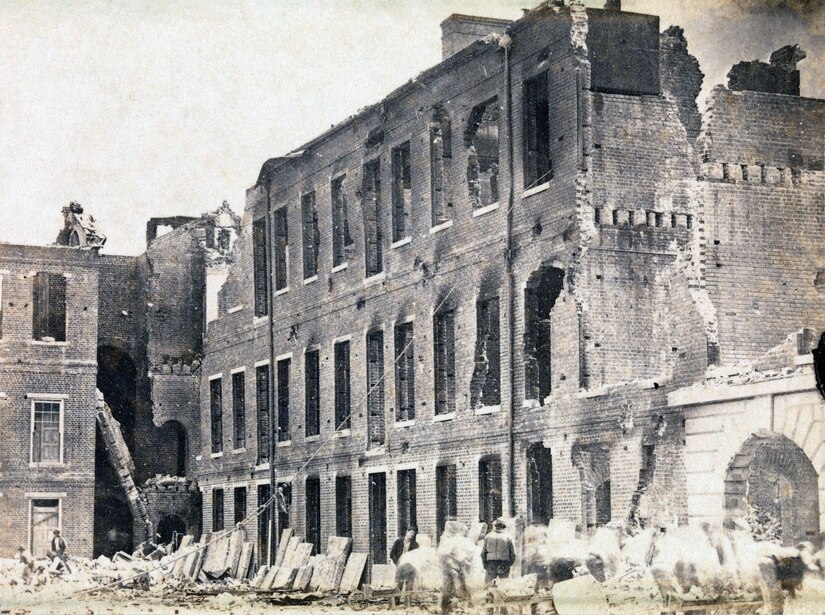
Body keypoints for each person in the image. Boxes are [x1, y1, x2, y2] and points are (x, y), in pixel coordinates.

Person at [481, 518, 515, 584]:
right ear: (504, 526)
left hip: (491, 563)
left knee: (489, 585)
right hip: (504, 562)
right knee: (504, 584)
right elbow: (513, 554)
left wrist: (485, 564)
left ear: (495, 526)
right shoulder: (508, 537)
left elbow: (483, 553)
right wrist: (510, 563)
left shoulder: (488, 536)